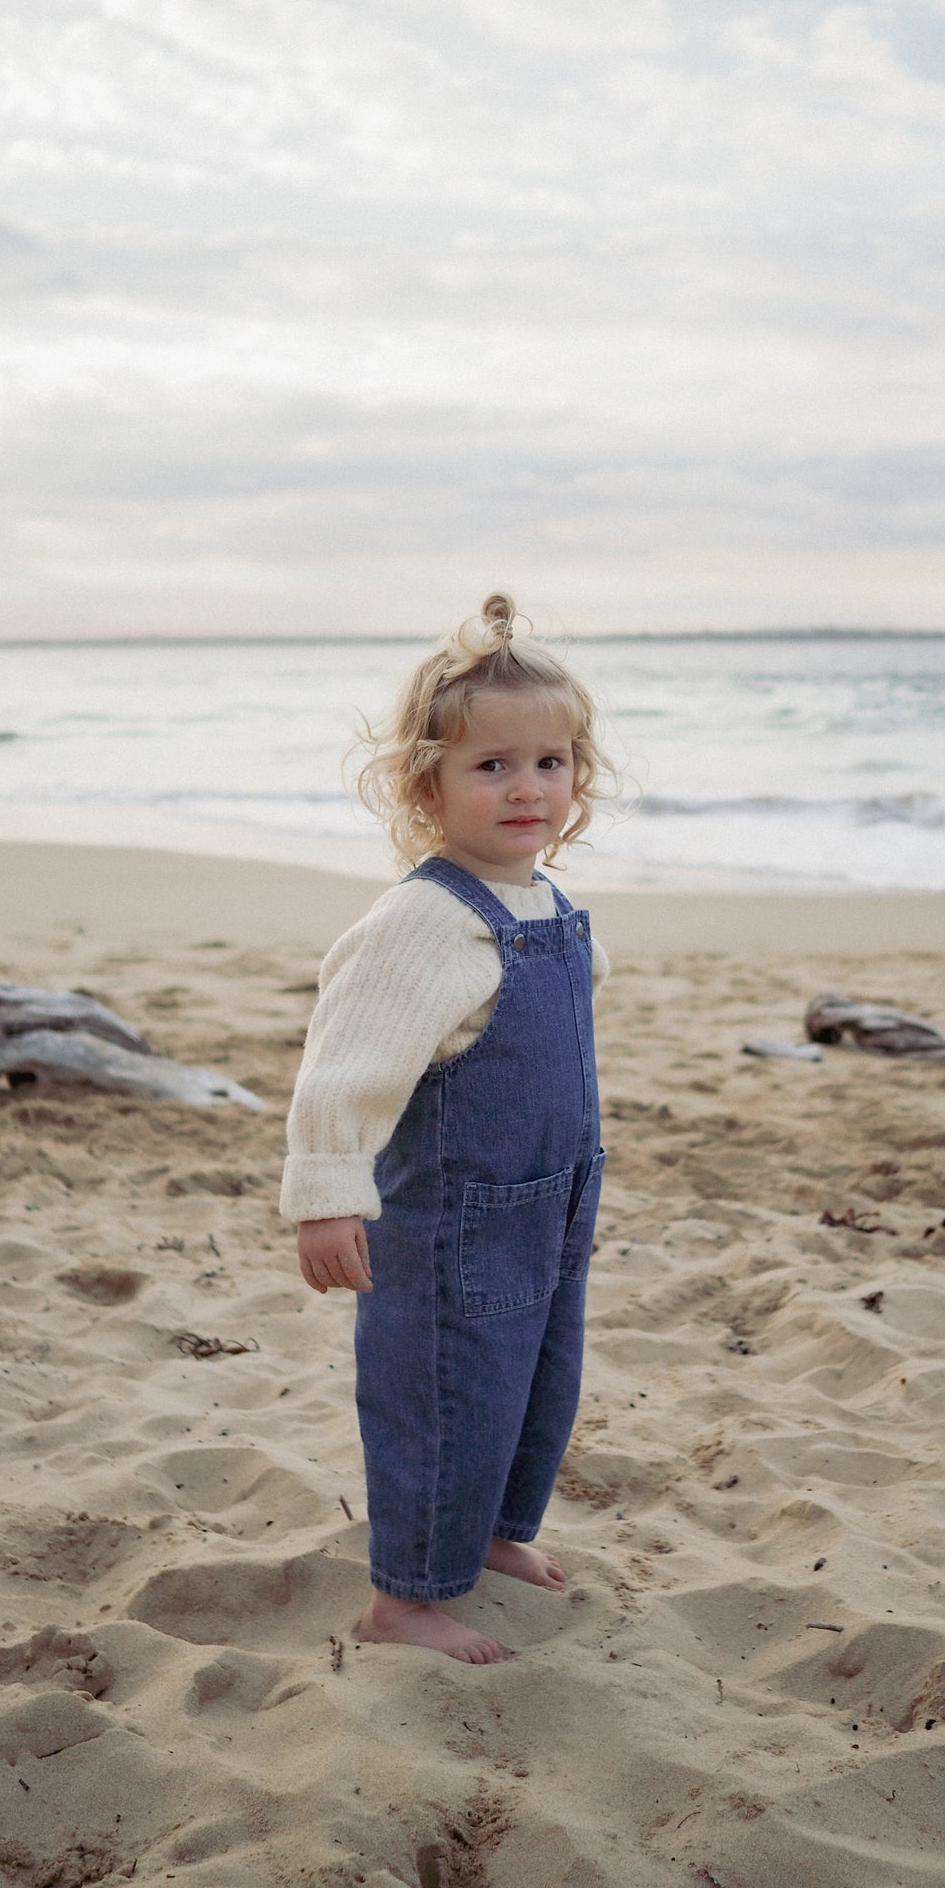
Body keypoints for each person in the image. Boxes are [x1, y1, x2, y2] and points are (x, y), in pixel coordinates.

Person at [281, 592, 614, 1665]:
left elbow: (572, 996)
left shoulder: (547, 903)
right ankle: (407, 1594)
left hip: (551, 1198)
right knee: (444, 1394)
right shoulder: (421, 922)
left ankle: (494, 1531)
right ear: (427, 784)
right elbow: (344, 1065)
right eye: (492, 767)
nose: (529, 787)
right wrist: (327, 1194)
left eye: (551, 762)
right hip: (451, 1222)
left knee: (534, 1379)